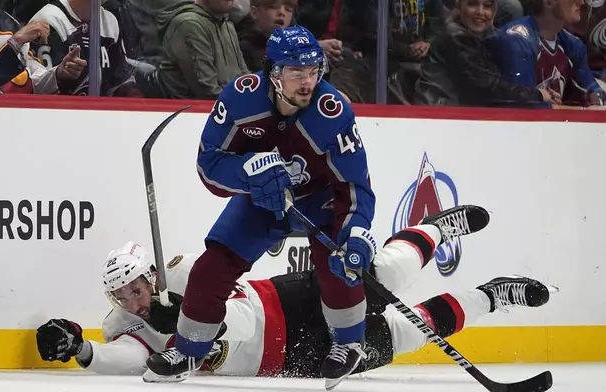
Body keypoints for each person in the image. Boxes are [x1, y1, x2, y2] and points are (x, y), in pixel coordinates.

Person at [36, 205, 557, 382]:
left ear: (148, 275)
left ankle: (438, 228)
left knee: (382, 277)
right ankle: (494, 295)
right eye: (122, 297)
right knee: (404, 332)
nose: (134, 300)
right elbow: (122, 361)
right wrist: (80, 350)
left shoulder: (179, 273)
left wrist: (183, 314)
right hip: (291, 357)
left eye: (135, 286)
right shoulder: (127, 329)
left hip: (288, 300)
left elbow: (213, 298)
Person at [155, 24, 377, 389]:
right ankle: (190, 349)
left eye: (313, 71)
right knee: (214, 264)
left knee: (339, 264)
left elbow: (354, 186)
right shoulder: (240, 99)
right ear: (274, 73)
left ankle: (349, 343)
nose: (308, 82)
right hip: (263, 199)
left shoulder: (333, 112)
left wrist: (354, 233)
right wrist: (247, 172)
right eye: (296, 73)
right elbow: (208, 165)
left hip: (320, 199)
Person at [413, 0, 560, 107]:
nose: (480, 12)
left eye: (487, 6)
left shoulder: (476, 39)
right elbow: (489, 88)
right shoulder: (456, 38)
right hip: (438, 121)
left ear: (494, 11)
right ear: (459, 7)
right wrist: (538, 95)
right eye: (472, 4)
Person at [485, 0, 606, 109]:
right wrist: (581, 111)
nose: (582, 2)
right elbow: (523, 106)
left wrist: (594, 100)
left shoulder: (574, 45)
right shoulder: (516, 40)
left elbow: (594, 93)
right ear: (548, 2)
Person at [0, 0, 85, 94]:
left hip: (22, 117)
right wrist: (15, 42)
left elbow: (32, 79)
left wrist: (58, 73)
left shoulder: (8, 22)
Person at [28, 0, 142, 96]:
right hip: (60, 116)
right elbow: (35, 87)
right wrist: (59, 74)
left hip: (102, 116)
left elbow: (118, 81)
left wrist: (137, 92)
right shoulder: (48, 20)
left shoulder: (110, 20)